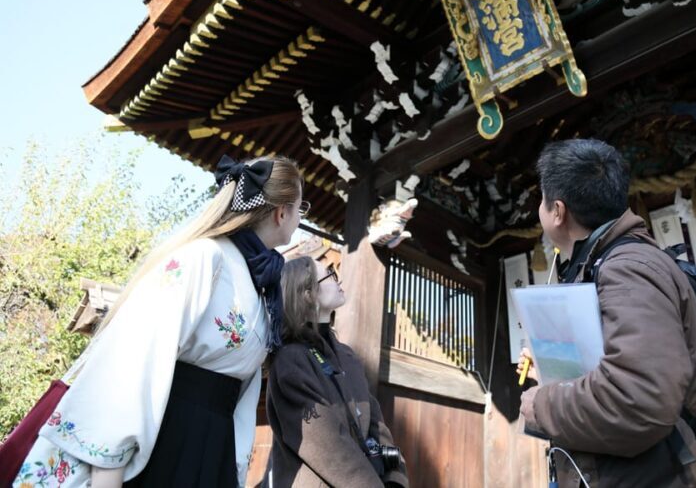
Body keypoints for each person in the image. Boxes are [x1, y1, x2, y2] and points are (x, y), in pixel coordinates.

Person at [11, 155, 306, 487]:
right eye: (300, 208)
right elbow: (135, 356)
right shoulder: (205, 257)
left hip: (214, 444)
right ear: (282, 212)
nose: (299, 218)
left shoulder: (261, 286)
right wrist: (108, 471)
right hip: (165, 439)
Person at [517, 139, 696, 487]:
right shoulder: (603, 264)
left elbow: (640, 395)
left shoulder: (627, 269)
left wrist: (541, 405)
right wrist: (551, 368)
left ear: (558, 211)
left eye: (542, 198)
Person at [265, 257, 409, 488]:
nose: (338, 279)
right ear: (308, 294)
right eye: (330, 275)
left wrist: (395, 479)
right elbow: (329, 445)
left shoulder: (347, 356)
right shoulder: (290, 360)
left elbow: (376, 425)